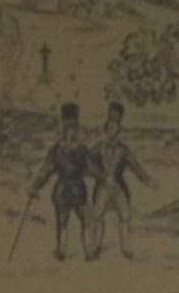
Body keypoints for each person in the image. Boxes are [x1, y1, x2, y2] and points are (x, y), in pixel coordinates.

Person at [84, 101, 158, 260]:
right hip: (102, 187)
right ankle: (95, 247)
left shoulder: (123, 150)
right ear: (105, 129)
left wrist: (148, 180)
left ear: (119, 131)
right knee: (97, 215)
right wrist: (102, 176)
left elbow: (136, 167)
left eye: (116, 129)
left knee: (125, 215)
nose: (113, 132)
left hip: (119, 187)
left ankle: (126, 248)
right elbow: (88, 165)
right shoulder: (98, 148)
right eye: (110, 128)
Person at [27, 102, 100, 261]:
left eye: (74, 128)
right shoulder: (81, 150)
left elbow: (46, 171)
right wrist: (102, 175)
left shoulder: (57, 150)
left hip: (62, 191)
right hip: (78, 190)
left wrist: (35, 186)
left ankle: (64, 251)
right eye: (72, 128)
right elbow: (93, 169)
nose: (73, 132)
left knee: (65, 222)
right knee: (83, 221)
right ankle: (86, 251)